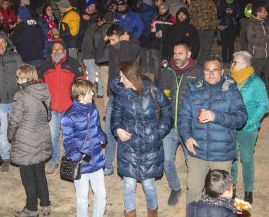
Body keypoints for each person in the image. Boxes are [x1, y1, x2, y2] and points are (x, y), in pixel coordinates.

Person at [178, 56, 248, 203]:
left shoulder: (231, 91)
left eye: (215, 70)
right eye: (207, 70)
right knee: (193, 190)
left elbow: (241, 118)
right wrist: (187, 137)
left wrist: (215, 116)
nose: (211, 74)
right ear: (203, 72)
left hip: (221, 153)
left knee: (221, 194)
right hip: (197, 150)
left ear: (222, 71)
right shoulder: (193, 91)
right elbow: (183, 118)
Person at [111, 61, 172, 217]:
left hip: (150, 145)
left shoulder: (153, 91)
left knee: (149, 185)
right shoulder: (121, 95)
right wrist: (118, 129)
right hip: (128, 145)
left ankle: (153, 212)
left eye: (123, 77)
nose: (121, 80)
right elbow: (115, 116)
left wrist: (158, 133)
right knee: (129, 185)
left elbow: (167, 113)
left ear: (132, 77)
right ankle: (130, 213)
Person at [159, 41, 203, 206]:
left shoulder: (198, 72)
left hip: (189, 128)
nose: (176, 57)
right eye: (175, 53)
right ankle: (175, 188)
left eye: (180, 54)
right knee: (167, 161)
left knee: (192, 162)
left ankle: (194, 191)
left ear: (189, 54)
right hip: (170, 126)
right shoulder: (167, 71)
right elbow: (162, 95)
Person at [95, 24, 140, 176]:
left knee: (127, 133)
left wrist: (125, 42)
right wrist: (103, 41)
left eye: (113, 40)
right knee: (109, 131)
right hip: (114, 96)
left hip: (129, 97)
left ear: (121, 36)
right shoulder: (113, 47)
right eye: (110, 40)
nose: (111, 43)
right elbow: (99, 57)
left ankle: (128, 167)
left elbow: (126, 63)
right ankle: (108, 165)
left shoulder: (133, 44)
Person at [8, 64, 52, 217]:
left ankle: (31, 208)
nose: (18, 81)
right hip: (42, 137)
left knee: (28, 176)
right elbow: (48, 115)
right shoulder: (44, 91)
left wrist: (10, 135)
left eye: (20, 77)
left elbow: (14, 120)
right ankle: (45, 204)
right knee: (39, 172)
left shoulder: (21, 96)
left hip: (25, 141)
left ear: (27, 78)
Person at [62, 79, 107, 217]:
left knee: (101, 195)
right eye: (89, 92)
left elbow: (97, 128)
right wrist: (76, 155)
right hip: (81, 163)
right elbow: (68, 140)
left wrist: (102, 136)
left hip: (96, 159)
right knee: (82, 198)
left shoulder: (93, 110)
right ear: (80, 96)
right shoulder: (68, 116)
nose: (93, 94)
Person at [38, 39, 84, 174]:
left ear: (65, 51)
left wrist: (79, 101)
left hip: (69, 107)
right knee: (52, 135)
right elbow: (40, 83)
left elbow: (81, 82)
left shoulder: (73, 64)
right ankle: (54, 160)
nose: (56, 51)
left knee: (68, 136)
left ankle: (69, 160)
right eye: (54, 49)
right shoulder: (46, 64)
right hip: (52, 107)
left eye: (59, 49)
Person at [229, 51, 269, 204]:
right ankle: (231, 188)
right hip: (231, 127)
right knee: (231, 158)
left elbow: (263, 105)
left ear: (245, 65)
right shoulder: (229, 80)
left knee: (246, 159)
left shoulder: (256, 82)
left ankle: (248, 190)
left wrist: (250, 121)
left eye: (235, 62)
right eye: (233, 62)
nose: (232, 65)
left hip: (248, 128)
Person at [0, 31, 23, 173]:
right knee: (2, 132)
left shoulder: (15, 57)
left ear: (7, 43)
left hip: (15, 99)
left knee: (17, 129)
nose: (1, 45)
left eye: (3, 42)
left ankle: (18, 155)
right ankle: (5, 157)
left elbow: (23, 74)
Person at [245, 4, 269, 105]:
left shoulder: (266, 22)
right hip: (257, 57)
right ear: (258, 13)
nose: (266, 14)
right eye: (264, 12)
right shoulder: (251, 24)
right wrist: (268, 38)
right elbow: (251, 40)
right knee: (254, 79)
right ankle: (252, 98)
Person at [189, 0, 218, 64]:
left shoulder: (211, 3)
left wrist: (213, 28)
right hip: (197, 30)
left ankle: (204, 66)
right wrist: (193, 27)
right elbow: (190, 17)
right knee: (198, 49)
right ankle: (197, 66)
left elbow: (214, 16)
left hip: (208, 30)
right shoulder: (193, 4)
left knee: (206, 49)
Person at [217, 0, 241, 66]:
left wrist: (232, 12)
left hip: (233, 26)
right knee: (224, 44)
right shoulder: (222, 3)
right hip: (224, 26)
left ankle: (231, 60)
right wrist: (225, 11)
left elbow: (239, 14)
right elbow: (219, 14)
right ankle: (224, 61)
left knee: (231, 44)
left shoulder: (235, 3)